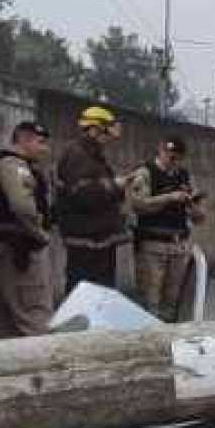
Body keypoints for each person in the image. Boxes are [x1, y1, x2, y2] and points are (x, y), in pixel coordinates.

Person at [0, 121, 57, 337]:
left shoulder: (9, 164)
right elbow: (22, 206)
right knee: (35, 316)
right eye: (40, 142)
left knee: (9, 319)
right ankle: (44, 368)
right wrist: (40, 234)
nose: (44, 148)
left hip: (8, 246)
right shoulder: (13, 165)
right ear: (23, 139)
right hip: (19, 249)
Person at [125, 136, 206, 321]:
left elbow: (200, 216)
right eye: (169, 156)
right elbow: (138, 205)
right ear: (160, 151)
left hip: (178, 244)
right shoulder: (145, 173)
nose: (173, 161)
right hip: (152, 244)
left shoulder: (184, 176)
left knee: (173, 301)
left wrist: (192, 204)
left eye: (177, 157)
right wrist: (169, 198)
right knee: (150, 301)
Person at [56, 105, 129, 292]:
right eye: (107, 132)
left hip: (99, 241)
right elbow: (84, 195)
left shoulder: (93, 155)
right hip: (85, 242)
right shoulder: (77, 154)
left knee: (100, 296)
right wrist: (116, 186)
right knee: (83, 296)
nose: (109, 139)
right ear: (95, 129)